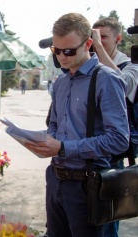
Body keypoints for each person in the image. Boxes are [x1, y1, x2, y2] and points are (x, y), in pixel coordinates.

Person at [24, 13, 129, 237]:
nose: (62, 56)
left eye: (69, 51)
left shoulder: (106, 78)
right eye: (56, 50)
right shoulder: (61, 81)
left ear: (88, 44)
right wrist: (45, 142)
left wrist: (63, 148)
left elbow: (119, 139)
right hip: (56, 179)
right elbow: (54, 124)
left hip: (88, 185)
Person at [92, 16, 138, 237]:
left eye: (103, 37)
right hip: (88, 152)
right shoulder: (91, 65)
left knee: (107, 223)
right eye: (94, 37)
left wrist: (98, 49)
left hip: (112, 156)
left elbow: (123, 85)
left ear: (118, 39)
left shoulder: (131, 66)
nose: (97, 41)